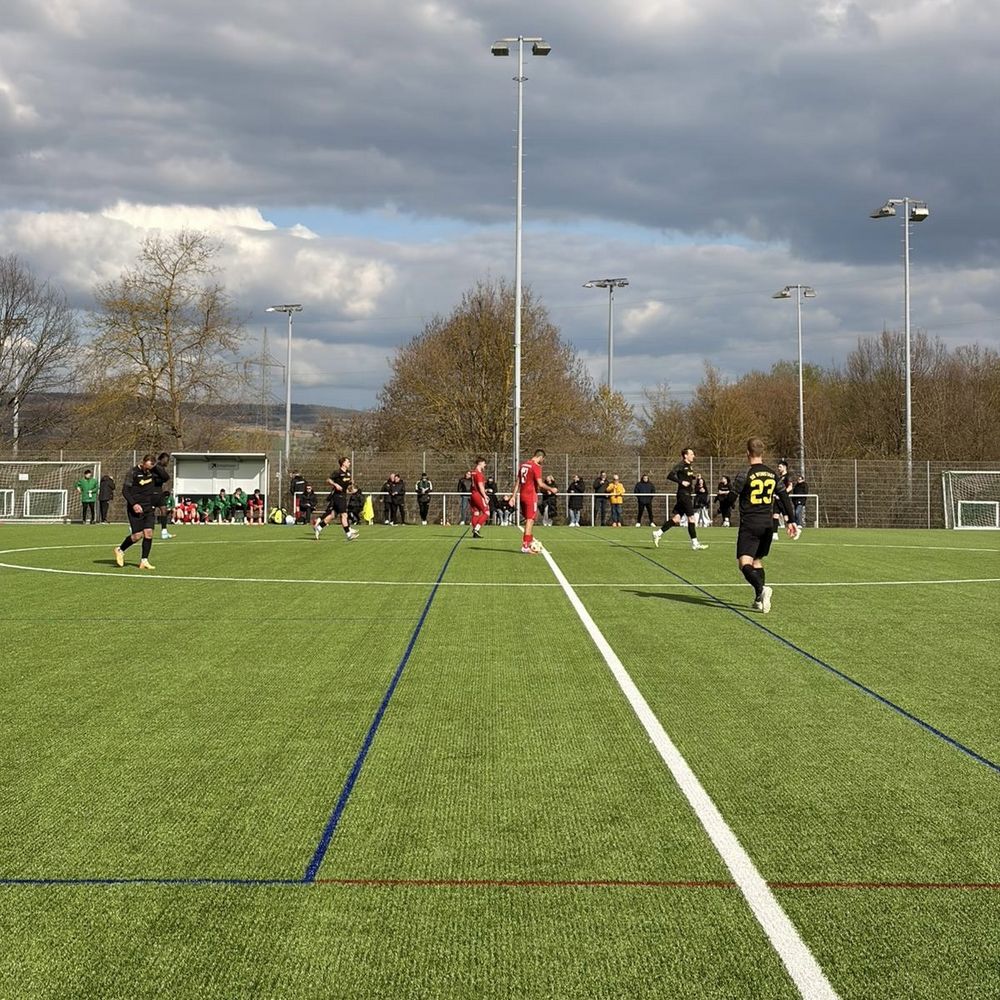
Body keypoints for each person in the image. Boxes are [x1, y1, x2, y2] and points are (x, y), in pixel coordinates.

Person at [733, 438, 799, 613]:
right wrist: (791, 521)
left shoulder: (745, 474)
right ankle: (758, 600)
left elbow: (732, 496)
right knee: (756, 560)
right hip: (768, 524)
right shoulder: (772, 474)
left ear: (747, 452)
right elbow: (784, 497)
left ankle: (762, 589)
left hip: (750, 523)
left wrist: (725, 504)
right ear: (762, 453)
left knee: (744, 562)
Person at [653, 447, 708, 551]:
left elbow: (687, 476)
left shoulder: (689, 466)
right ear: (685, 455)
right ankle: (695, 543)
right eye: (691, 454)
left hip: (686, 494)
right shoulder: (680, 465)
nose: (693, 456)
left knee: (677, 519)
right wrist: (681, 482)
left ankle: (658, 533)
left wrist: (694, 477)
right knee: (691, 518)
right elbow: (670, 475)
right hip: (683, 495)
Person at [113, 454, 162, 570]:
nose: (148, 470)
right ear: (143, 462)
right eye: (147, 467)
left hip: (148, 508)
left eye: (150, 468)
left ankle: (144, 561)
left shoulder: (153, 472)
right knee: (137, 536)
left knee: (149, 533)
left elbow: (165, 477)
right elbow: (125, 491)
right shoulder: (133, 472)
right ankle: (120, 550)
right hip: (135, 508)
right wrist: (134, 504)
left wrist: (156, 468)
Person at [514, 448, 558, 553]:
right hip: (530, 496)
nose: (542, 461)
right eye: (543, 459)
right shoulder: (536, 466)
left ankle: (529, 542)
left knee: (529, 520)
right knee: (530, 520)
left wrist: (513, 496)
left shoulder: (523, 465)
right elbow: (540, 484)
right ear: (540, 457)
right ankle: (525, 546)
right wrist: (551, 489)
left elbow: (518, 482)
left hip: (522, 495)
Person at [314, 456, 360, 542]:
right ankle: (349, 534)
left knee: (332, 515)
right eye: (348, 462)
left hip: (343, 496)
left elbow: (346, 485)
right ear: (343, 463)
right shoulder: (337, 472)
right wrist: (335, 484)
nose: (349, 463)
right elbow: (328, 480)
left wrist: (350, 485)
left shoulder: (348, 473)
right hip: (338, 496)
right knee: (344, 515)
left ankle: (319, 527)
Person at [153, 453, 174, 539]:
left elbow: (165, 478)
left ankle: (164, 531)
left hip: (159, 491)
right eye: (166, 460)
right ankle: (135, 527)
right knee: (148, 511)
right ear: (161, 459)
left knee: (164, 509)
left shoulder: (160, 468)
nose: (167, 462)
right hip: (152, 491)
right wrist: (161, 479)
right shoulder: (156, 467)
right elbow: (166, 477)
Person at [468, 456, 490, 539]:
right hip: (478, 495)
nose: (485, 465)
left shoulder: (473, 472)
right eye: (484, 463)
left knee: (476, 513)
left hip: (473, 494)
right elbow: (480, 486)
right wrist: (485, 496)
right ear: (480, 463)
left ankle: (475, 532)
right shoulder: (479, 474)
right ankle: (476, 529)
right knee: (486, 512)